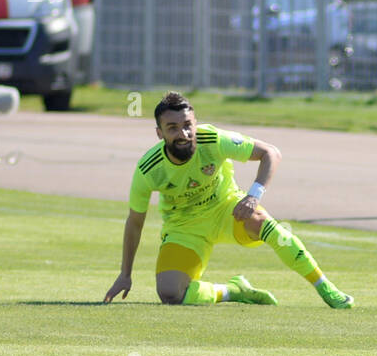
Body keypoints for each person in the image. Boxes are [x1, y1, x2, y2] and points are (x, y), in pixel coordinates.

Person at [104, 91, 354, 310]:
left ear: (195, 122)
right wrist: (125, 275)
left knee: (272, 230)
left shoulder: (212, 139)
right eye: (173, 128)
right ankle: (234, 290)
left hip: (228, 211)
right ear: (159, 133)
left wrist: (253, 196)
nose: (184, 133)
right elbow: (135, 222)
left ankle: (325, 288)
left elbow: (270, 153)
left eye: (188, 125)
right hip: (184, 228)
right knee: (170, 294)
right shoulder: (149, 169)